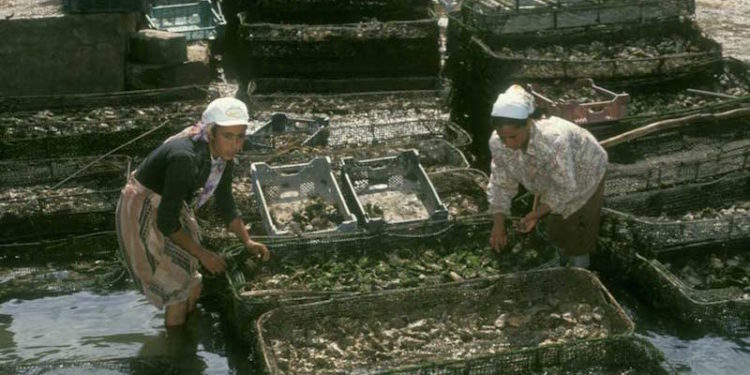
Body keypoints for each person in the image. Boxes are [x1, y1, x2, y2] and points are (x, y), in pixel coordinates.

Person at [116, 97, 270, 327]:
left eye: (240, 136)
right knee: (175, 290)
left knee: (193, 283)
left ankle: (188, 335)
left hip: (169, 203)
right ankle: (176, 355)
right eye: (228, 136)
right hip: (142, 206)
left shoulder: (221, 157)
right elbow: (167, 223)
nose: (235, 145)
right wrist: (203, 253)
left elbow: (226, 202)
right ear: (210, 133)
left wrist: (247, 241)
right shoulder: (185, 159)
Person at [487, 85, 608, 268]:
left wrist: (536, 214)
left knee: (575, 227)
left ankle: (580, 269)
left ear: (528, 124)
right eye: (503, 137)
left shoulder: (552, 142)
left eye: (513, 136)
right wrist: (498, 223)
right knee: (555, 226)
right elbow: (500, 182)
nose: (508, 144)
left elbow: (565, 187)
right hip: (554, 175)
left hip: (586, 171)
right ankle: (562, 259)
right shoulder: (498, 143)